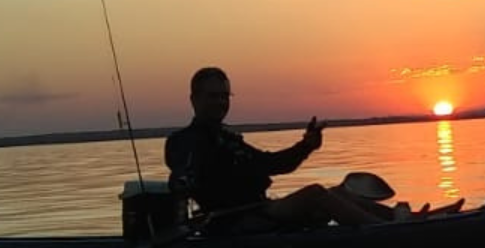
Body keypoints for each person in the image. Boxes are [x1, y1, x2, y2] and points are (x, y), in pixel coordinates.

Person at [165, 67, 398, 231]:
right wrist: (183, 182)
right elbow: (182, 176)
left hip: (261, 209)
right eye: (212, 96)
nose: (220, 102)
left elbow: (274, 165)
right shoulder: (184, 142)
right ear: (194, 99)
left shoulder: (229, 140)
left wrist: (306, 146)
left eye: (224, 96)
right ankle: (388, 232)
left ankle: (404, 219)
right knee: (316, 193)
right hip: (233, 222)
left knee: (337, 193)